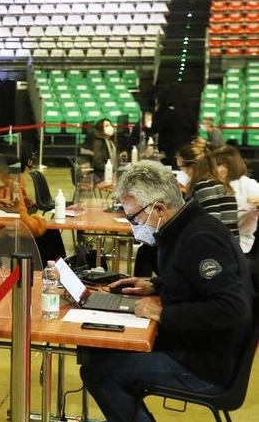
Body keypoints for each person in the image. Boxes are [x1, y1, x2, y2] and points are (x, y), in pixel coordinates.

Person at [79, 161, 253, 422]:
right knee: (95, 353)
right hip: (195, 346)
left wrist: (164, 313)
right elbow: (191, 282)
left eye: (133, 217)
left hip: (206, 365)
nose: (132, 225)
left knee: (100, 371)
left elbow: (231, 308)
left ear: (158, 209)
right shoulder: (181, 226)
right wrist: (157, 285)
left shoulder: (200, 238)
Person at [176, 140, 240, 240]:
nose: (182, 172)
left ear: (191, 166)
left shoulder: (205, 185)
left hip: (218, 250)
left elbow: (211, 225)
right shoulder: (217, 183)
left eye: (181, 167)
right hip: (227, 248)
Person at [212, 144, 259, 254]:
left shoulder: (249, 185)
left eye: (219, 164)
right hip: (212, 239)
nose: (214, 169)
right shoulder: (210, 184)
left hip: (241, 243)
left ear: (231, 165)